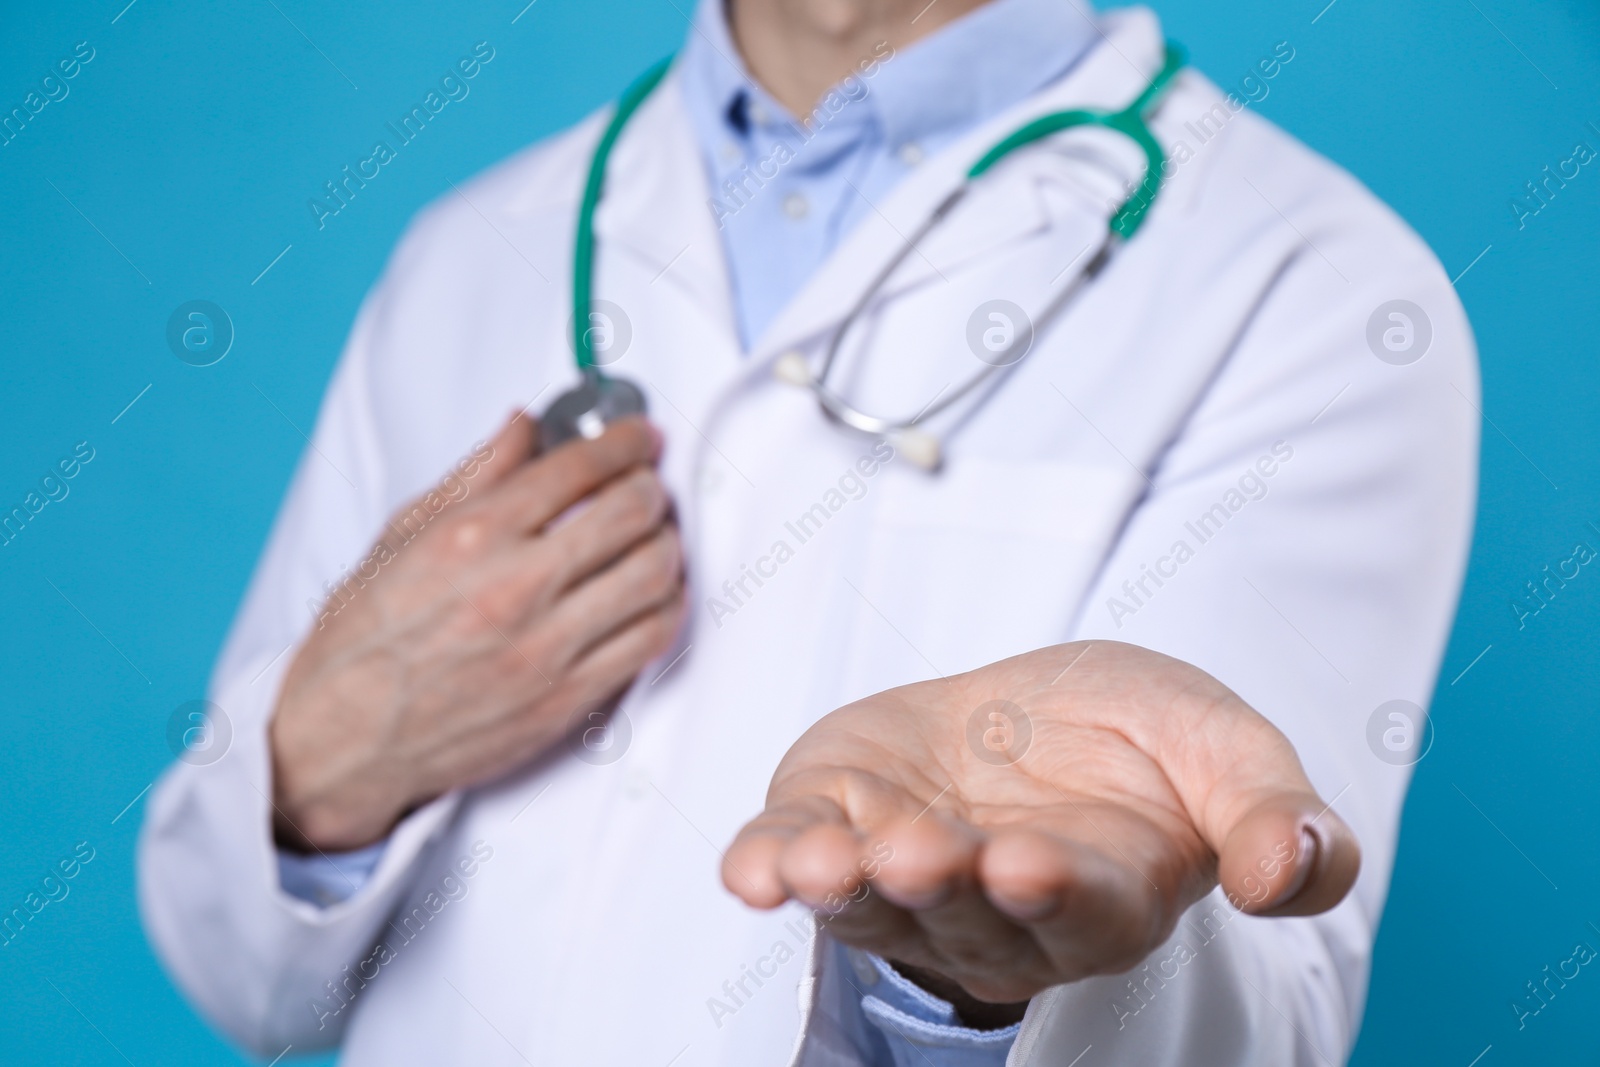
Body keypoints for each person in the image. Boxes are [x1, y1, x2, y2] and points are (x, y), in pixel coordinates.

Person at [137, 0, 1478, 1063]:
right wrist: (324, 771)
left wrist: (964, 971)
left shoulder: (1323, 294)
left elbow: (1265, 1019)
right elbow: (241, 978)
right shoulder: (469, 252)